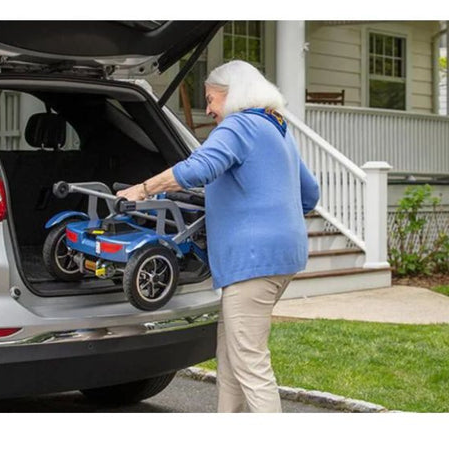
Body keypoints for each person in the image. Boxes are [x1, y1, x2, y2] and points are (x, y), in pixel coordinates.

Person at [117, 60, 320, 412]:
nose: (209, 109)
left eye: (211, 99)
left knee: (250, 362)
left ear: (233, 94)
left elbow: (198, 168)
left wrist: (143, 189)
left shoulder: (238, 124)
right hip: (281, 257)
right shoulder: (276, 129)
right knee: (230, 357)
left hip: (252, 261)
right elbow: (310, 194)